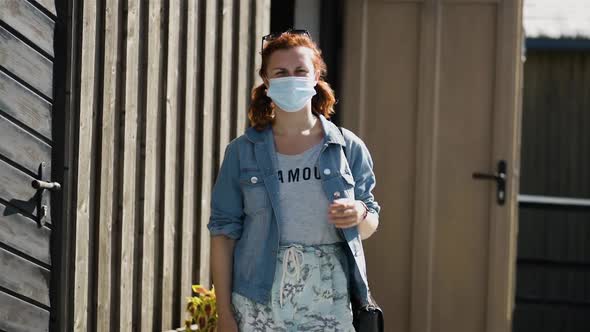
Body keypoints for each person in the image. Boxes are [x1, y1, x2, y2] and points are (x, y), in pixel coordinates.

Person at [208, 30, 381, 332]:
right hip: (257, 300)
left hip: (330, 297)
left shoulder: (347, 147)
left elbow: (369, 223)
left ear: (316, 75)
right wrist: (224, 313)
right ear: (266, 79)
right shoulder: (241, 152)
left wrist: (360, 214)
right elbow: (223, 236)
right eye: (281, 72)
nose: (292, 78)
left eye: (300, 70)